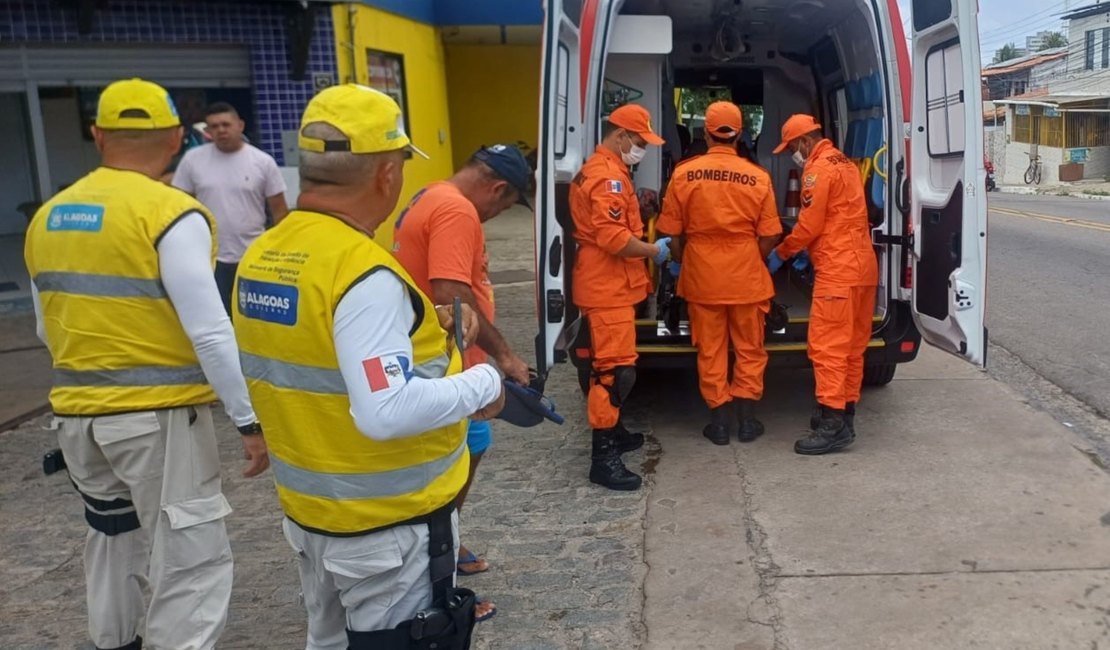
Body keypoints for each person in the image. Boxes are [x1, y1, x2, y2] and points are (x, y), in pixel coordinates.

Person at [232, 84, 506, 649]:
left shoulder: (266, 254)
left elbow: (315, 350)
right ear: (386, 173)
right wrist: (484, 379)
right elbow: (386, 409)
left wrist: (422, 326)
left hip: (313, 515)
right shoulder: (362, 271)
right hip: (387, 526)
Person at [23, 77, 268, 650]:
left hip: (78, 417)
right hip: (157, 421)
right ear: (178, 137)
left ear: (98, 134)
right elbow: (209, 330)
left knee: (111, 538)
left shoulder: (49, 216)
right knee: (191, 553)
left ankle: (115, 642)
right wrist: (249, 420)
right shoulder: (171, 213)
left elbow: (42, 327)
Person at [392, 143, 534, 617]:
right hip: (445, 364)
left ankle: (445, 547)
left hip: (440, 361)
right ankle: (436, 586)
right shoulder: (457, 211)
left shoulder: (429, 194)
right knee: (446, 469)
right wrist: (507, 357)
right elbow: (453, 296)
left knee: (471, 451)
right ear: (497, 188)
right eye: (506, 205)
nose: (496, 216)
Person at [656, 102, 783, 445]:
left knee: (710, 350)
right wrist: (749, 257)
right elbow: (771, 234)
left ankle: (719, 424)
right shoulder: (758, 177)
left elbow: (671, 232)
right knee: (750, 349)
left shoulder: (684, 174)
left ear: (704, 134)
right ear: (740, 134)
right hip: (747, 278)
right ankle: (747, 422)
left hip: (702, 277)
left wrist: (686, 258)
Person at [570, 103, 670, 491]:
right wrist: (653, 251)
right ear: (620, 136)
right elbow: (613, 239)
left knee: (616, 366)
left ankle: (617, 430)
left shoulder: (610, 172)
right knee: (612, 373)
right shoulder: (607, 178)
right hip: (605, 284)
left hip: (609, 283)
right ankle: (603, 457)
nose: (642, 147)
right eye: (640, 140)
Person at [768, 113, 879, 455]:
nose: (793, 155)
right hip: (863, 267)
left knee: (828, 347)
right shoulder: (845, 162)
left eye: (792, 148)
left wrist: (781, 253)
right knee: (852, 347)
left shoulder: (818, 170)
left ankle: (832, 424)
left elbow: (808, 226)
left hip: (838, 270)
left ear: (804, 141)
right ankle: (844, 414)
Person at [172, 101, 288, 315]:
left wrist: (278, 254)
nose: (221, 130)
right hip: (209, 258)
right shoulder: (193, 160)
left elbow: (280, 212)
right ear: (207, 131)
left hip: (253, 256)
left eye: (226, 124)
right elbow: (179, 207)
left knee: (254, 317)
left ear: (240, 125)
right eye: (213, 127)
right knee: (215, 316)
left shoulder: (262, 162)